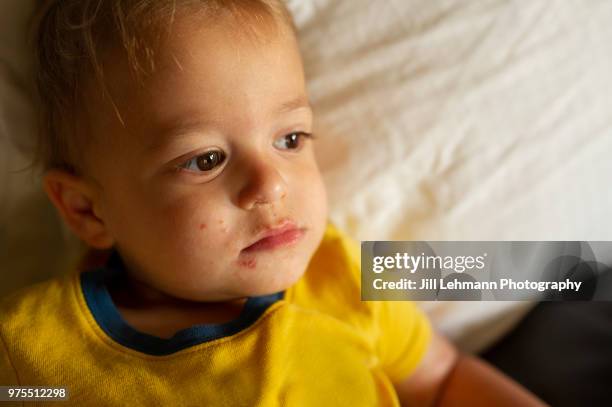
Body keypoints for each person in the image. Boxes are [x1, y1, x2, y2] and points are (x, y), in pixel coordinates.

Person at [0, 1, 547, 405]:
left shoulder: (339, 281)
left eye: (289, 139)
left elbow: (445, 380)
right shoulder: (32, 350)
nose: (270, 185)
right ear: (86, 211)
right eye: (206, 160)